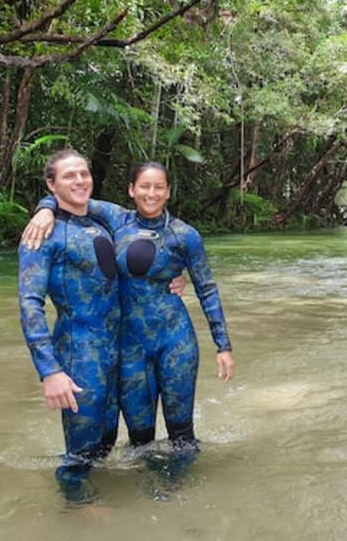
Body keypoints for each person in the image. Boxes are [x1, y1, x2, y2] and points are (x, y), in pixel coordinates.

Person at [23, 160, 235, 456]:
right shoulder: (115, 219)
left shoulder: (183, 235)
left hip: (176, 341)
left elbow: (207, 288)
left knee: (182, 436)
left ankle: (179, 494)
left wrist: (222, 345)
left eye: (159, 187)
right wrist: (44, 209)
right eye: (144, 186)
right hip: (129, 346)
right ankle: (142, 494)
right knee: (139, 440)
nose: (151, 193)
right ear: (131, 189)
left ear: (168, 192)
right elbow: (69, 196)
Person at [18, 149, 187, 501]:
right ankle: (79, 508)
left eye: (84, 173)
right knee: (79, 451)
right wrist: (49, 371)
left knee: (106, 441)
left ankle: (105, 496)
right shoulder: (41, 236)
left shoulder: (106, 219)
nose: (79, 181)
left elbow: (151, 224)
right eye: (68, 176)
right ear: (51, 184)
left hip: (116, 351)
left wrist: (173, 275)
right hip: (79, 355)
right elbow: (30, 304)